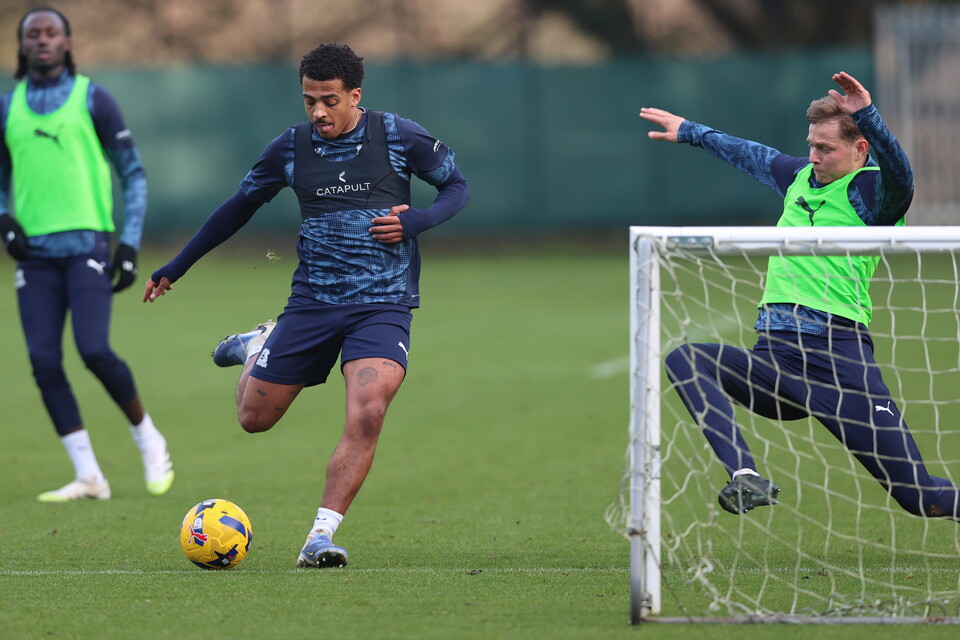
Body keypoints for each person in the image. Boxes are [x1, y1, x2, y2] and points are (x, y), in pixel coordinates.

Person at [143, 43, 470, 567]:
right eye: (309, 100)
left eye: (329, 100)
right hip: (314, 302)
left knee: (370, 409)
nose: (318, 112)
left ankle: (321, 536)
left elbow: (456, 186)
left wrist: (417, 221)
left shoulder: (398, 135)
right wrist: (176, 266)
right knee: (253, 418)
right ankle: (259, 342)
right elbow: (237, 208)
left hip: (382, 304)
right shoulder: (290, 148)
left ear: (355, 95)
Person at [640, 71, 960, 520]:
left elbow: (902, 176)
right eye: (811, 145)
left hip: (841, 365)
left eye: (825, 148)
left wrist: (868, 115)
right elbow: (752, 154)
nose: (813, 157)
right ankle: (744, 475)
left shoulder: (873, 193)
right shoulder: (798, 179)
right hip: (777, 362)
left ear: (860, 148)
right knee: (685, 359)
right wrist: (692, 132)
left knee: (921, 498)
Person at [0, 7, 173, 502]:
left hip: (88, 248)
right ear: (22, 45)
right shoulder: (7, 108)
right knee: (42, 360)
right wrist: (4, 220)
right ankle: (89, 475)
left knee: (93, 350)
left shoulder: (93, 98)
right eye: (33, 33)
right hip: (34, 256)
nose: (43, 40)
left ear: (68, 42)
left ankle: (148, 437)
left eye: (52, 32)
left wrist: (130, 244)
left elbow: (133, 174)